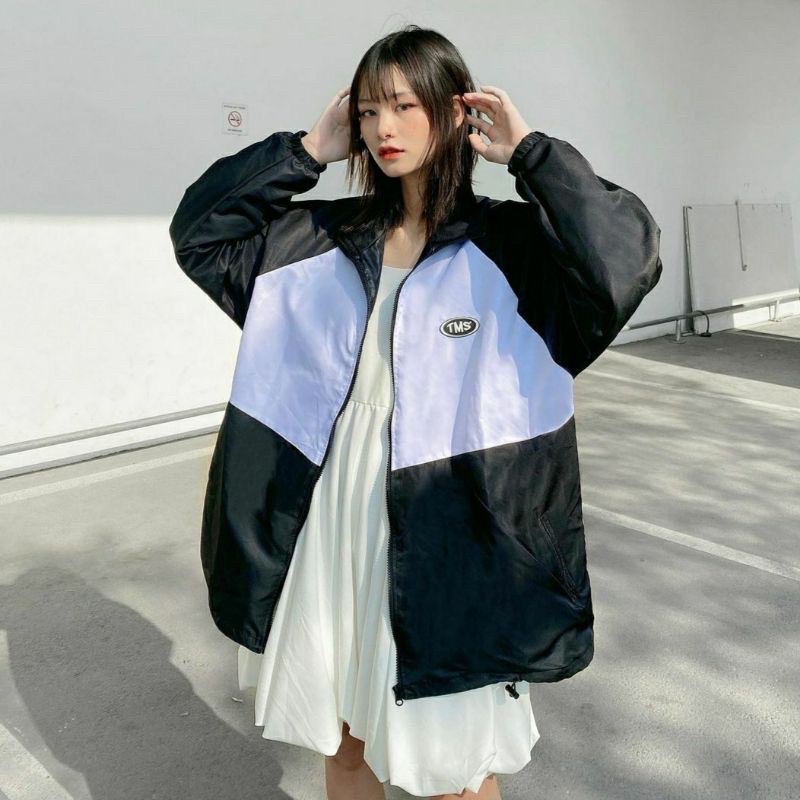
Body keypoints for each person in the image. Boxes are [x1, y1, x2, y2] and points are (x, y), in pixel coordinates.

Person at [168, 24, 662, 800]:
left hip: (454, 520)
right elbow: (200, 234)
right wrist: (305, 152)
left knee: (455, 765)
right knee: (345, 739)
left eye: (403, 105)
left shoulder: (513, 247)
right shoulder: (316, 239)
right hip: (333, 510)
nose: (382, 128)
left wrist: (532, 156)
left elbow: (624, 261)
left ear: (454, 110)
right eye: (369, 110)